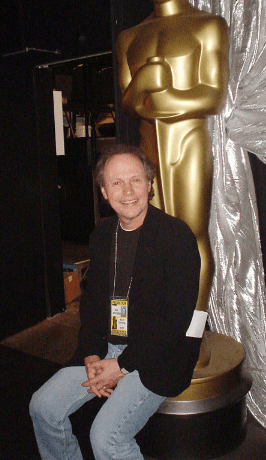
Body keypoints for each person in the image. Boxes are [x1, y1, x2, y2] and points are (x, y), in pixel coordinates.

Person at [30, 144, 201, 460]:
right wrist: (92, 353)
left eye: (135, 180)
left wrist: (121, 366)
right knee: (43, 407)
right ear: (104, 192)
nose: (127, 191)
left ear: (149, 185)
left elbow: (175, 321)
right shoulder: (103, 234)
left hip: (159, 355)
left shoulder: (176, 237)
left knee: (106, 438)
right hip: (108, 348)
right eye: (116, 183)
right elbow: (93, 303)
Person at [116, 0, 229, 315]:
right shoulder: (129, 37)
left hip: (188, 145)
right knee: (153, 237)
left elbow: (213, 96)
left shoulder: (207, 26)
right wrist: (146, 81)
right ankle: (163, 328)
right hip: (149, 150)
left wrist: (161, 97)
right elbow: (129, 104)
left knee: (192, 234)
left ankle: (194, 332)